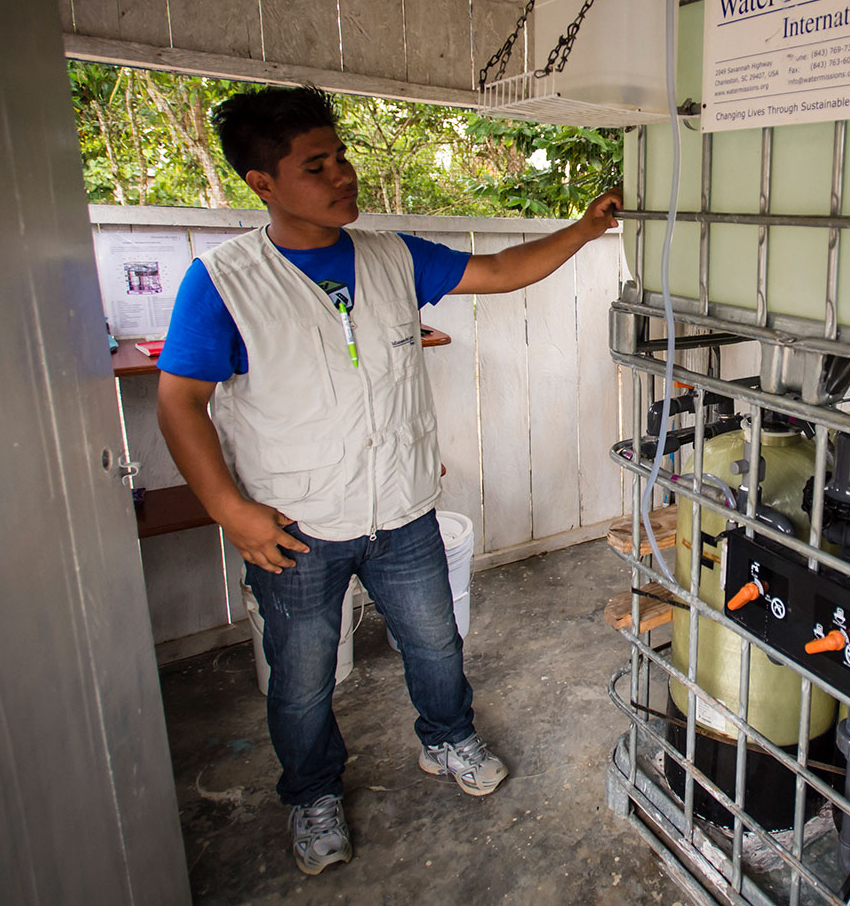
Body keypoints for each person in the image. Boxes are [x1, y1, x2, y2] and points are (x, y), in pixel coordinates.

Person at [155, 86, 621, 876]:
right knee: (302, 681)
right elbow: (180, 403)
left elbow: (503, 269)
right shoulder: (224, 281)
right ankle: (311, 792)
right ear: (262, 182)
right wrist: (231, 510)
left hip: (402, 506)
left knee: (435, 642)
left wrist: (584, 226)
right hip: (293, 522)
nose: (342, 174)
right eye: (316, 164)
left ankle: (446, 738)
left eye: (341, 155)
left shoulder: (392, 256)